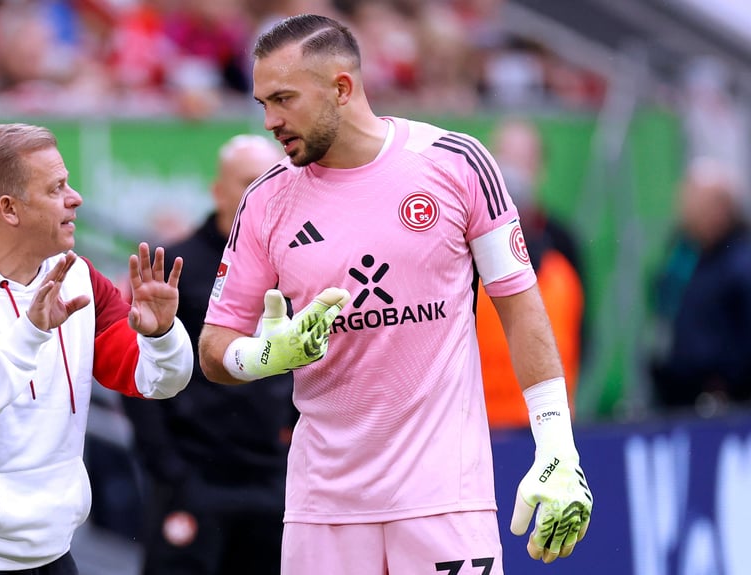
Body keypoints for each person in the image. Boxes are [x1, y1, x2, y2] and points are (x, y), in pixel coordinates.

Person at [197, 14, 593, 574]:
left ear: (341, 87)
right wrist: (264, 355)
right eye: (262, 102)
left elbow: (521, 307)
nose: (270, 121)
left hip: (446, 501)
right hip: (323, 510)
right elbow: (214, 347)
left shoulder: (457, 164)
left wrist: (557, 445)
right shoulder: (264, 202)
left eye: (283, 99)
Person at [0, 122, 194, 574]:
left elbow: (153, 381)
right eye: (57, 188)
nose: (76, 198)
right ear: (9, 209)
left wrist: (162, 334)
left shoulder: (77, 276)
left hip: (50, 550)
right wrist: (30, 331)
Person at [122, 134, 294, 575]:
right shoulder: (173, 270)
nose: (261, 195)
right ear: (217, 191)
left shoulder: (300, 268)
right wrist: (170, 469)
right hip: (194, 475)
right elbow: (135, 369)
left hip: (274, 478)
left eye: (275, 182)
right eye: (248, 182)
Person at [476, 119, 585, 429]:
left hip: (544, 419)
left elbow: (579, 329)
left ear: (540, 168)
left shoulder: (561, 244)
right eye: (506, 159)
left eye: (523, 161)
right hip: (483, 420)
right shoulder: (461, 239)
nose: (515, 172)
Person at [648, 156, 751, 412]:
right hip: (675, 394)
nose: (687, 212)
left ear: (722, 208)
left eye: (697, 203)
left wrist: (727, 382)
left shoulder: (740, 261)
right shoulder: (681, 252)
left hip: (726, 403)